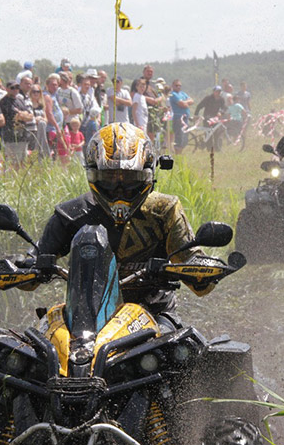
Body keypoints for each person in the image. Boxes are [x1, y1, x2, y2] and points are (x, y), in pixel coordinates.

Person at [30, 123, 218, 329]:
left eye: (130, 179)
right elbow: (36, 259)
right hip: (83, 317)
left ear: (148, 175)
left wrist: (202, 269)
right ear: (93, 175)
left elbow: (195, 271)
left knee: (181, 352)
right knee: (34, 348)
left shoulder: (164, 210)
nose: (119, 189)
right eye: (110, 179)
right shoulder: (71, 214)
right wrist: (24, 264)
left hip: (154, 313)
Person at [167, 79, 193, 154]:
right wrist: (186, 102)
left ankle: (179, 153)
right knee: (179, 138)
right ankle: (177, 155)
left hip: (185, 118)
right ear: (173, 86)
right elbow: (182, 104)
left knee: (185, 138)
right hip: (178, 118)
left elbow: (192, 100)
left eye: (179, 86)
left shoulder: (183, 93)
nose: (178, 87)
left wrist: (185, 102)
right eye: (176, 85)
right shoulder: (173, 94)